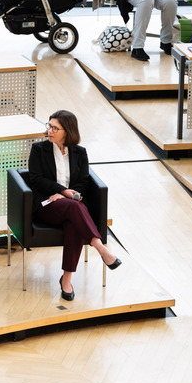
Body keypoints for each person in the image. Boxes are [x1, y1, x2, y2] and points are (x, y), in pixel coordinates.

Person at [27, 111, 121, 302]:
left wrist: (67, 194)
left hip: (71, 204)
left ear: (67, 131)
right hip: (46, 204)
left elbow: (83, 182)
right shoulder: (39, 149)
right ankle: (101, 249)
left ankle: (66, 279)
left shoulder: (80, 153)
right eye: (49, 125)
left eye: (55, 128)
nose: (49, 131)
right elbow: (36, 179)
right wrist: (61, 191)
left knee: (74, 222)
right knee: (74, 209)